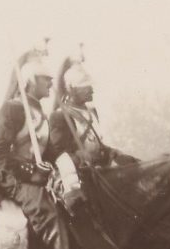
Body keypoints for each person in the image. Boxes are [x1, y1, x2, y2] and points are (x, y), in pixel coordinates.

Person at [0, 50, 70, 249]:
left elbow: (44, 153)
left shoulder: (38, 110)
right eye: (45, 79)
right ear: (30, 81)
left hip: (34, 177)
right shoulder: (14, 108)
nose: (50, 83)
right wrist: (30, 174)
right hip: (14, 178)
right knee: (51, 217)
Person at [49, 57, 139, 214]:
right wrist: (79, 155)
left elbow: (95, 141)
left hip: (99, 166)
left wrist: (111, 152)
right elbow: (57, 152)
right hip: (77, 174)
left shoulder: (91, 111)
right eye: (85, 87)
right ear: (72, 89)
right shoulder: (60, 116)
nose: (91, 90)